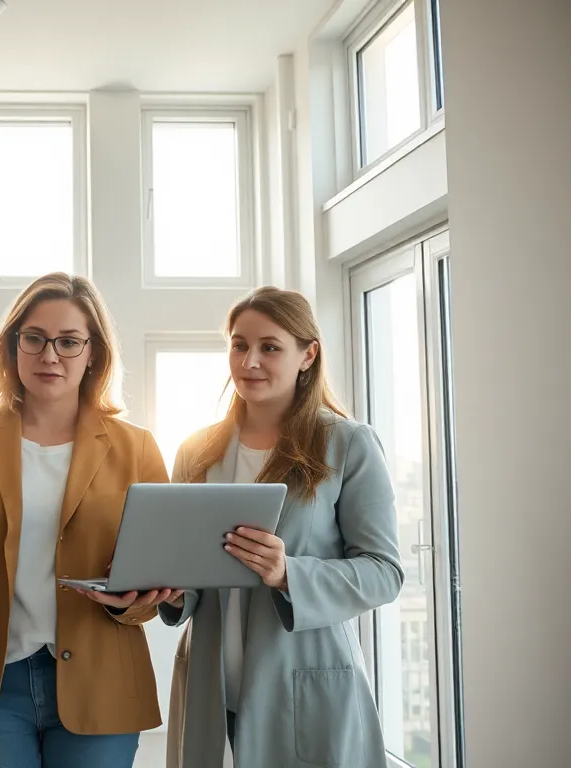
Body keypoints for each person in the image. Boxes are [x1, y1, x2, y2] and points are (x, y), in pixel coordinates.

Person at [0, 272, 173, 768]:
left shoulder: (136, 448)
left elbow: (155, 592)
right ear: (13, 346)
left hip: (102, 681)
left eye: (69, 341)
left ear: (93, 353)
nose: (50, 355)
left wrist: (133, 599)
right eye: (34, 338)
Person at [159, 287, 403, 768]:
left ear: (307, 355)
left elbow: (384, 572)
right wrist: (168, 590)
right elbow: (187, 576)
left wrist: (288, 573)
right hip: (212, 688)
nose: (249, 361)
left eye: (269, 347)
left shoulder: (348, 444)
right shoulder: (196, 452)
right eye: (239, 345)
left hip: (307, 686)